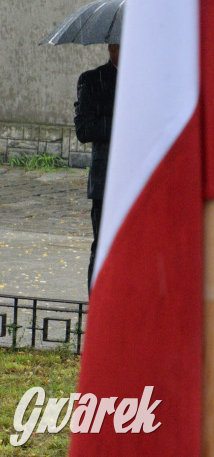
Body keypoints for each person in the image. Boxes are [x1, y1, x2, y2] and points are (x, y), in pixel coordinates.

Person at [74, 43, 119, 294]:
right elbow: (84, 130)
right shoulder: (92, 80)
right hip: (106, 181)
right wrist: (124, 120)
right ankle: (99, 306)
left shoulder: (148, 81)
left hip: (143, 178)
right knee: (102, 244)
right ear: (112, 47)